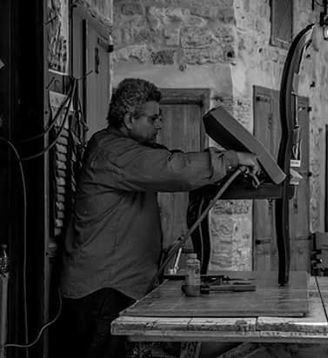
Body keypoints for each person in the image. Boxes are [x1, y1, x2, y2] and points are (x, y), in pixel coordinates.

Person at [58, 78, 259, 358]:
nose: (160, 125)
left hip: (115, 286)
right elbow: (173, 169)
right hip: (101, 291)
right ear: (129, 119)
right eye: (153, 118)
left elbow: (169, 160)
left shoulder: (126, 149)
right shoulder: (112, 152)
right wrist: (231, 159)